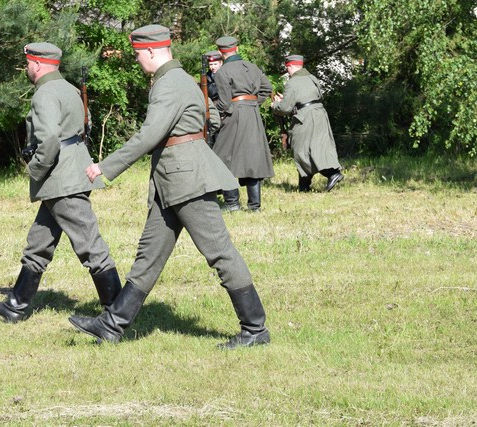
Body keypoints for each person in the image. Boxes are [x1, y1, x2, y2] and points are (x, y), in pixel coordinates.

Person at [69, 25, 270, 349]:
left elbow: (149, 135)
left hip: (186, 181)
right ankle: (112, 324)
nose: (137, 60)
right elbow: (205, 122)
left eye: (137, 54)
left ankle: (255, 329)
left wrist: (104, 167)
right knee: (148, 257)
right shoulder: (183, 80)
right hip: (172, 181)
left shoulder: (169, 84)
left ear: (151, 51)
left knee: (220, 253)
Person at [0, 42, 121, 323]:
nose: (27, 69)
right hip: (71, 172)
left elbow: (50, 140)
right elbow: (84, 124)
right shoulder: (69, 89)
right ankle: (15, 306)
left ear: (37, 64)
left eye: (28, 64)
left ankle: (118, 312)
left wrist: (36, 168)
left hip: (60, 178)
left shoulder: (44, 93)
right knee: (39, 243)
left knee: (90, 245)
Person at [210, 36, 274, 212]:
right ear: (236, 49)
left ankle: (232, 204)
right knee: (253, 157)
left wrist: (212, 111)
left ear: (221, 53)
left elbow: (224, 103)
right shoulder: (253, 67)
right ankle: (255, 206)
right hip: (253, 113)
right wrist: (253, 103)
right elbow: (267, 89)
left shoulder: (222, 72)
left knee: (223, 157)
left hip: (234, 114)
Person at [272, 54, 343, 192]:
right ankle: (304, 186)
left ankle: (332, 173)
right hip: (320, 114)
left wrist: (275, 104)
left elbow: (285, 108)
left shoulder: (292, 82)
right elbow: (310, 98)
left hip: (305, 118)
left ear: (290, 66)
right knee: (317, 148)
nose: (287, 71)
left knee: (301, 150)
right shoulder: (312, 78)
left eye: (287, 68)